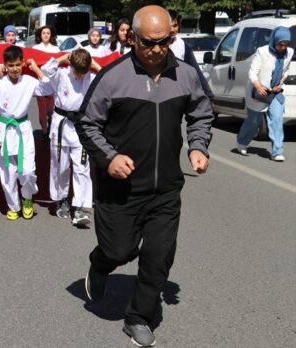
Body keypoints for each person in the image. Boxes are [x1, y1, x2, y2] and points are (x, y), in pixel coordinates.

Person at [77, 6, 213, 347]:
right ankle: (101, 261)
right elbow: (87, 123)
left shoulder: (186, 75)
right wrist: (109, 157)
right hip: (120, 188)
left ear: (173, 35)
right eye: (149, 42)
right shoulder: (112, 76)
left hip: (165, 188)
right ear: (132, 38)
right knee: (120, 249)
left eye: (165, 41)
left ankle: (138, 316)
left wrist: (198, 146)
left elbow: (200, 112)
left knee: (159, 256)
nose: (157, 49)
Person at [0, 46, 50, 220]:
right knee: (8, 172)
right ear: (5, 65)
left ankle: (27, 198)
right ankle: (13, 205)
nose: (15, 69)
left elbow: (48, 89)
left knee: (28, 171)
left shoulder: (29, 82)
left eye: (17, 64)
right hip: (4, 131)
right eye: (10, 65)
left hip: (23, 130)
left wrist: (36, 69)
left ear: (22, 63)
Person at [41, 49, 101, 226]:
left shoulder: (89, 76)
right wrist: (62, 58)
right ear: (71, 65)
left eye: (84, 72)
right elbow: (45, 68)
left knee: (82, 167)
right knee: (61, 165)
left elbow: (106, 75)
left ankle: (81, 207)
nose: (81, 77)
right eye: (78, 72)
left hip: (80, 125)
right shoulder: (61, 73)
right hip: (60, 124)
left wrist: (93, 65)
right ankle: (61, 200)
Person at [236, 27, 292, 161]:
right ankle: (242, 142)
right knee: (254, 121)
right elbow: (252, 72)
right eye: (280, 44)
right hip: (258, 91)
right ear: (275, 41)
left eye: (286, 44)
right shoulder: (262, 51)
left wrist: (281, 82)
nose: (283, 47)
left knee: (277, 119)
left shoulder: (288, 52)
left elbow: (286, 70)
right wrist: (258, 86)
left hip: (275, 92)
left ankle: (277, 152)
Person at [167, 10, 215, 102]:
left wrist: (209, 96)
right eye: (169, 26)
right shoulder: (153, 45)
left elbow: (196, 72)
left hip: (176, 95)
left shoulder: (182, 46)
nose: (172, 30)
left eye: (175, 26)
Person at [32, 25, 60, 142]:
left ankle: (51, 125)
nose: (46, 35)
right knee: (42, 111)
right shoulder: (35, 48)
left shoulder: (56, 50)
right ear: (40, 35)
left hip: (52, 83)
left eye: (48, 33)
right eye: (44, 33)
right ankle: (44, 130)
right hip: (40, 83)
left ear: (51, 35)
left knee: (51, 110)